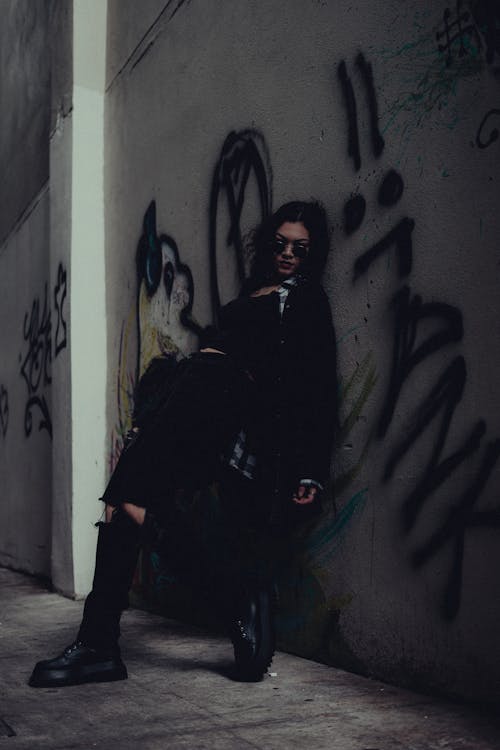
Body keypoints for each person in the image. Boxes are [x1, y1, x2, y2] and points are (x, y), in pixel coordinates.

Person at [29, 200, 337, 687]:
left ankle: (102, 643)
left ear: (312, 253)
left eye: (301, 248)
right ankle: (122, 637)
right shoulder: (254, 291)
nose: (288, 254)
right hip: (193, 396)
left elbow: (317, 389)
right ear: (268, 244)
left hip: (223, 405)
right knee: (125, 507)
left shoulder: (303, 301)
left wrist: (310, 468)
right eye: (280, 244)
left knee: (126, 498)